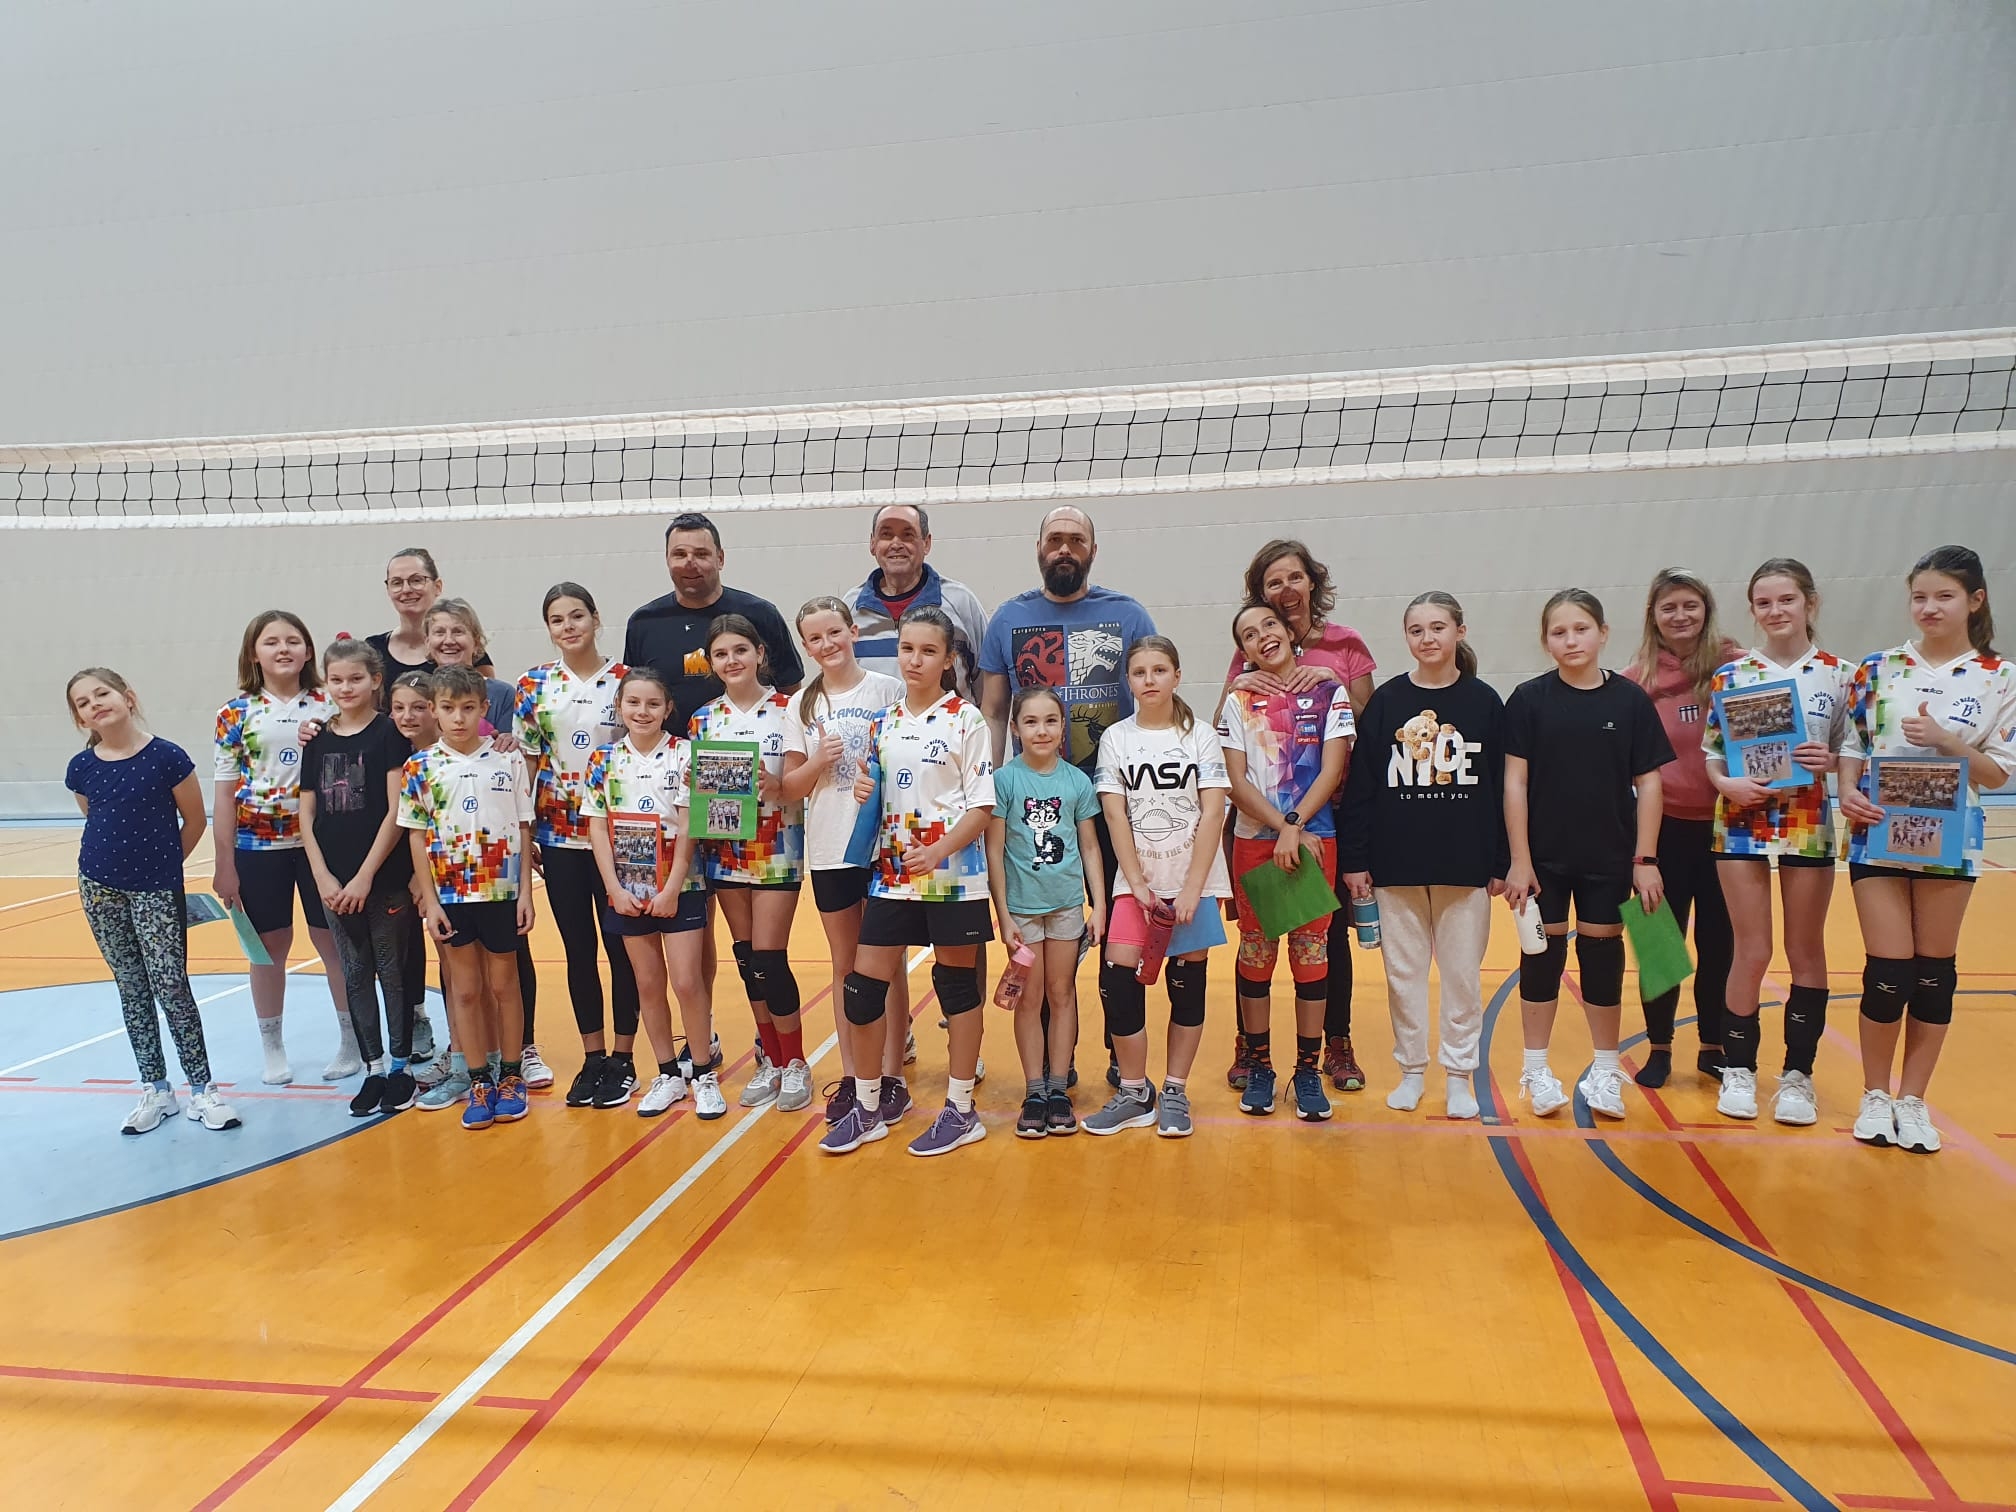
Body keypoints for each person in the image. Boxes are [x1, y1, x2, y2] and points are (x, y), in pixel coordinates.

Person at [1838, 545, 2015, 1154]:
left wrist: (1946, 741)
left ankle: (1913, 1101)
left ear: (1975, 600)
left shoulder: (1999, 676)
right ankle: (1875, 1095)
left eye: (1944, 596)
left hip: (1950, 837)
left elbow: (1997, 773)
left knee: (1934, 976)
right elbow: (1854, 744)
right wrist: (1847, 791)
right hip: (1878, 831)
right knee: (1887, 972)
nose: (1929, 608)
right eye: (1920, 597)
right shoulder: (1879, 668)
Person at [978, 505, 1157, 1085]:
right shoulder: (1008, 618)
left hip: (1111, 798)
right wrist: (988, 787)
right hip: (1034, 802)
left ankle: (1119, 1049)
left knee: (1114, 928)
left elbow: (1154, 694)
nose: (1064, 549)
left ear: (1092, 551)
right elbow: (993, 710)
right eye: (1054, 539)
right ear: (1038, 548)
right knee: (1042, 936)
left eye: (1075, 540)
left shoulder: (1127, 614)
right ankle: (1055, 1069)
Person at [822, 606, 997, 1158]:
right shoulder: (883, 723)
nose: (915, 660)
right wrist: (864, 794)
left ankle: (961, 1110)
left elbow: (982, 806)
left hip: (952, 878)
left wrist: (939, 851)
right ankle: (868, 1106)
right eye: (907, 649)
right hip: (893, 876)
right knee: (862, 989)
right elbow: (878, 794)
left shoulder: (967, 720)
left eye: (928, 651)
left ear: (948, 660)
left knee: (956, 989)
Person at [1503, 590, 1673, 1121]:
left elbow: (1649, 783)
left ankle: (1605, 1069)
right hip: (1543, 860)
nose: (1571, 640)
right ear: (1545, 641)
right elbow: (1514, 783)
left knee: (1602, 959)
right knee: (1541, 957)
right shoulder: (1529, 700)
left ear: (1602, 633)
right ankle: (1536, 1068)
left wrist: (1645, 860)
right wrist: (1519, 859)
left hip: (1609, 856)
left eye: (1581, 629)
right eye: (1559, 632)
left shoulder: (1630, 701)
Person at [1338, 592, 1506, 1120]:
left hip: (1465, 866)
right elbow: (1362, 788)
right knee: (1402, 976)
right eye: (1417, 630)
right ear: (1406, 637)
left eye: (1438, 627)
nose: (1427, 638)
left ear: (1459, 631)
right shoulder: (1387, 701)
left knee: (1462, 978)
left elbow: (1503, 788)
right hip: (1396, 866)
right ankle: (1411, 1071)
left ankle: (1459, 1077)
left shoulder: (1484, 702)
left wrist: (1500, 862)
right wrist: (1356, 860)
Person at [1701, 559, 1853, 1125]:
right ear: (1752, 610)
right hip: (1741, 817)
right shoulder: (1733, 676)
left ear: (1810, 603)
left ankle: (1797, 1076)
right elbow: (1714, 754)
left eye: (1786, 599)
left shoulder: (1840, 675)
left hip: (1807, 816)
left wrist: (1831, 761)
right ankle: (1739, 1068)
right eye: (1763, 603)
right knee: (1752, 949)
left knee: (1805, 949)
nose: (1775, 611)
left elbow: (1853, 753)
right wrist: (1726, 784)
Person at [65, 668, 241, 1135]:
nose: (95, 704)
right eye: (83, 702)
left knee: (171, 986)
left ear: (128, 697)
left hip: (156, 889)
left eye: (102, 693)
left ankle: (202, 1089)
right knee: (131, 986)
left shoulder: (166, 757)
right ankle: (156, 1089)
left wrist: (162, 870)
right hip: (99, 887)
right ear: (80, 718)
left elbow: (194, 821)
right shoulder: (82, 768)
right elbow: (92, 815)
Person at [1089, 636, 1232, 1138]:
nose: (1149, 680)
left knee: (1187, 987)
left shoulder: (1200, 736)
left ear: (1177, 675)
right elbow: (1115, 814)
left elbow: (1213, 811)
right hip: (1137, 884)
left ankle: (1175, 1089)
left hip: (1194, 881)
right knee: (1118, 978)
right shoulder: (1117, 738)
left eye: (1159, 670)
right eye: (1139, 672)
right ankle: (1134, 1092)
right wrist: (1135, 883)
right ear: (1128, 681)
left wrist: (1192, 888)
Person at [1218, 606, 1354, 1121]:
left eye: (1269, 626)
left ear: (1289, 630)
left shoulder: (1328, 691)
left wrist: (1294, 827)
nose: (1263, 637)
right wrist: (1283, 828)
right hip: (1257, 842)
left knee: (1311, 954)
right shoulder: (1238, 700)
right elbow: (1235, 782)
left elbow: (1333, 769)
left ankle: (1307, 1071)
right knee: (1257, 953)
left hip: (1316, 841)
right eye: (1249, 635)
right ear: (1244, 651)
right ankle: (1259, 1066)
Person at [779, 596, 908, 1127]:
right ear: (805, 647)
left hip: (881, 846)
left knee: (886, 964)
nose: (827, 644)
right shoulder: (801, 705)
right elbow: (789, 787)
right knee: (844, 964)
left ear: (853, 632)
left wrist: (875, 783)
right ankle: (855, 1075)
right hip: (831, 847)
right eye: (815, 638)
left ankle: (892, 1075)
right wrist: (817, 761)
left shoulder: (888, 690)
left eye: (835, 632)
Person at [514, 583, 642, 1110]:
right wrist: (526, 832)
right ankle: (593, 1057)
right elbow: (526, 764)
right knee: (578, 950)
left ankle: (624, 1057)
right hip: (559, 836)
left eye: (577, 616)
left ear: (595, 618)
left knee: (623, 948)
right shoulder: (533, 685)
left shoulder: (627, 680)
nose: (568, 627)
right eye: (557, 619)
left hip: (620, 837)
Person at [210, 609, 351, 1086]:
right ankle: (272, 1046)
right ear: (254, 654)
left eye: (293, 640)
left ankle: (351, 1040)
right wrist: (224, 863)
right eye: (271, 642)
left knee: (333, 943)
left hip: (322, 845)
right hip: (258, 846)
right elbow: (224, 795)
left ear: (308, 651)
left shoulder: (330, 704)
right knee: (268, 949)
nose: (283, 649)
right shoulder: (235, 713)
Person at [399, 665, 537, 1131]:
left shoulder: (507, 760)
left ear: (484, 710)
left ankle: (511, 1076)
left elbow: (523, 827)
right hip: (451, 895)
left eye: (467, 708)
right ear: (434, 711)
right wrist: (432, 902)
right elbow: (416, 836)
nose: (458, 717)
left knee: (505, 987)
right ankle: (478, 1080)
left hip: (501, 891)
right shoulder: (421, 767)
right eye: (448, 708)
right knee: (465, 990)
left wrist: (525, 893)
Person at [584, 667, 725, 1120]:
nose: (642, 711)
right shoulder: (603, 760)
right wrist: (613, 888)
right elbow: (598, 828)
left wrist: (672, 888)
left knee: (686, 981)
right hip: (628, 889)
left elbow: (689, 826)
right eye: (633, 702)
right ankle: (667, 1074)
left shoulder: (686, 755)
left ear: (667, 709)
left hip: (680, 886)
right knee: (647, 983)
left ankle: (702, 1073)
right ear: (619, 707)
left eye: (652, 704)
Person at [1622, 568, 1741, 1091]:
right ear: (1653, 615)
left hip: (1727, 828)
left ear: (1706, 608)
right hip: (1660, 831)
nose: (1680, 615)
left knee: (1720, 944)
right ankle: (1660, 1048)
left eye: (1690, 605)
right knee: (1659, 947)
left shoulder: (1736, 669)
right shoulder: (1635, 682)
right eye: (1668, 606)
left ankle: (1714, 1045)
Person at [690, 614, 812, 1113]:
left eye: (740, 650)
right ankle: (772, 1060)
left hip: (777, 846)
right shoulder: (703, 719)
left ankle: (796, 1061)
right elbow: (700, 793)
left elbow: (800, 783)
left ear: (760, 653)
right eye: (721, 654)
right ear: (711, 662)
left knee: (770, 958)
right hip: (725, 850)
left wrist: (775, 784)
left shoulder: (789, 709)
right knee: (746, 960)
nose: (731, 660)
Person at [424, 596, 546, 1088]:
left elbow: (520, 764)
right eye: (439, 632)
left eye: (459, 631)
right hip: (447, 870)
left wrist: (526, 888)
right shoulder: (416, 727)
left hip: (499, 872)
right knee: (461, 980)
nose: (449, 640)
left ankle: (518, 1057)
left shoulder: (502, 698)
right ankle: (467, 1063)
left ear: (477, 641)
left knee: (508, 972)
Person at [299, 639, 419, 1117]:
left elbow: (396, 810)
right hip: (334, 884)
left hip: (382, 879)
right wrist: (323, 877)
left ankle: (401, 1068)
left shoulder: (388, 733)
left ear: (375, 680)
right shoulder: (317, 741)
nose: (345, 687)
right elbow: (306, 815)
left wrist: (366, 875)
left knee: (392, 972)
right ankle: (373, 1067)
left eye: (355, 679)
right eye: (336, 680)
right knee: (355, 973)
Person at [987, 686, 1105, 1138]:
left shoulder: (1076, 782)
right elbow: (995, 852)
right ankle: (1034, 1090)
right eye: (1031, 721)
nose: (1042, 730)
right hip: (1022, 911)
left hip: (1066, 908)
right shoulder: (1005, 781)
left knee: (1062, 994)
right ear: (1015, 729)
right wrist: (1004, 915)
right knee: (1030, 998)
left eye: (1051, 720)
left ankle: (1058, 1088)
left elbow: (1090, 847)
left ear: (1062, 727)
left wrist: (1099, 904)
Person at [623, 511, 805, 734]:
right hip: (670, 753)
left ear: (720, 558)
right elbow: (633, 696)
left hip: (756, 752)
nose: (690, 563)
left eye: (701, 554)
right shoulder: (643, 623)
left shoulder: (761, 614)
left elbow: (791, 691)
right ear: (667, 559)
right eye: (679, 554)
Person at [846, 505, 990, 700]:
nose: (896, 544)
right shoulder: (851, 607)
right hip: (874, 721)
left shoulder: (960, 601)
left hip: (949, 720)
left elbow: (987, 687)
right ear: (873, 543)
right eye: (886, 535)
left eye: (907, 535)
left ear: (926, 543)